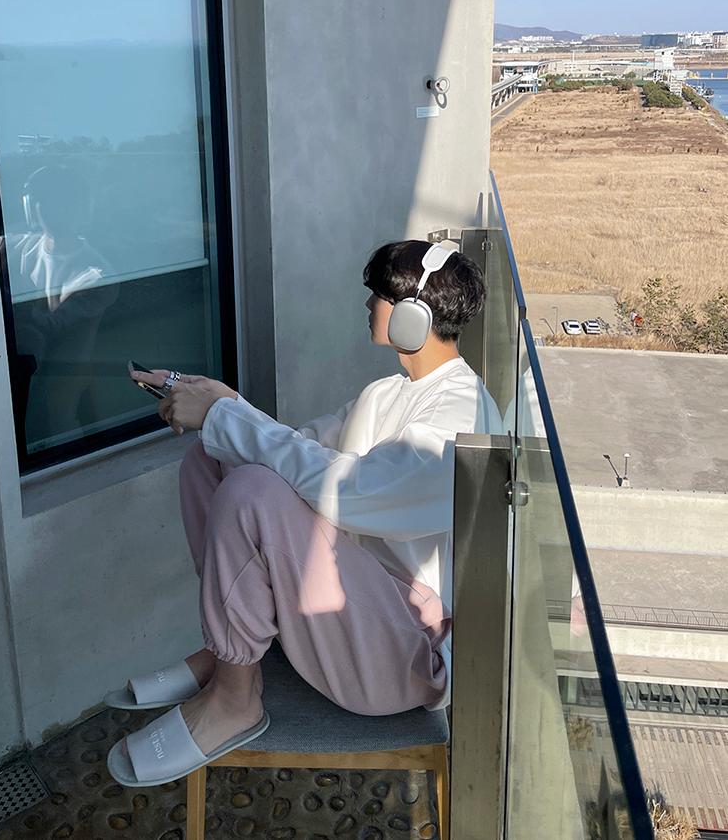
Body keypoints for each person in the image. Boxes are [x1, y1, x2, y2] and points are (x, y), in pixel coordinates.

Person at [106, 236, 500, 787]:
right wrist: (220, 401)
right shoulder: (389, 392)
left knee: (251, 492)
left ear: (414, 317)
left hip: (404, 652)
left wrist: (223, 415)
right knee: (208, 460)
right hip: (358, 602)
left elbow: (345, 492)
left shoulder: (455, 418)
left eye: (379, 295)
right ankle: (231, 652)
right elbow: (299, 447)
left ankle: (235, 699)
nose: (367, 303)